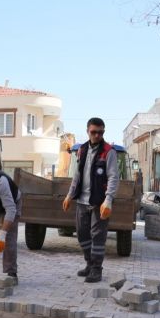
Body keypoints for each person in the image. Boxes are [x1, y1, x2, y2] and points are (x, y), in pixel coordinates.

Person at [63, 117, 119, 283]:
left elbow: (113, 177)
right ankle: (89, 264)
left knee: (98, 237)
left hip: (99, 202)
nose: (97, 135)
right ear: (88, 131)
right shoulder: (82, 150)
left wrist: (108, 200)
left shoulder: (108, 152)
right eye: (94, 132)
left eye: (100, 132)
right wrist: (69, 195)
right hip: (82, 201)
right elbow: (77, 175)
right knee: (82, 235)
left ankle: (96, 269)